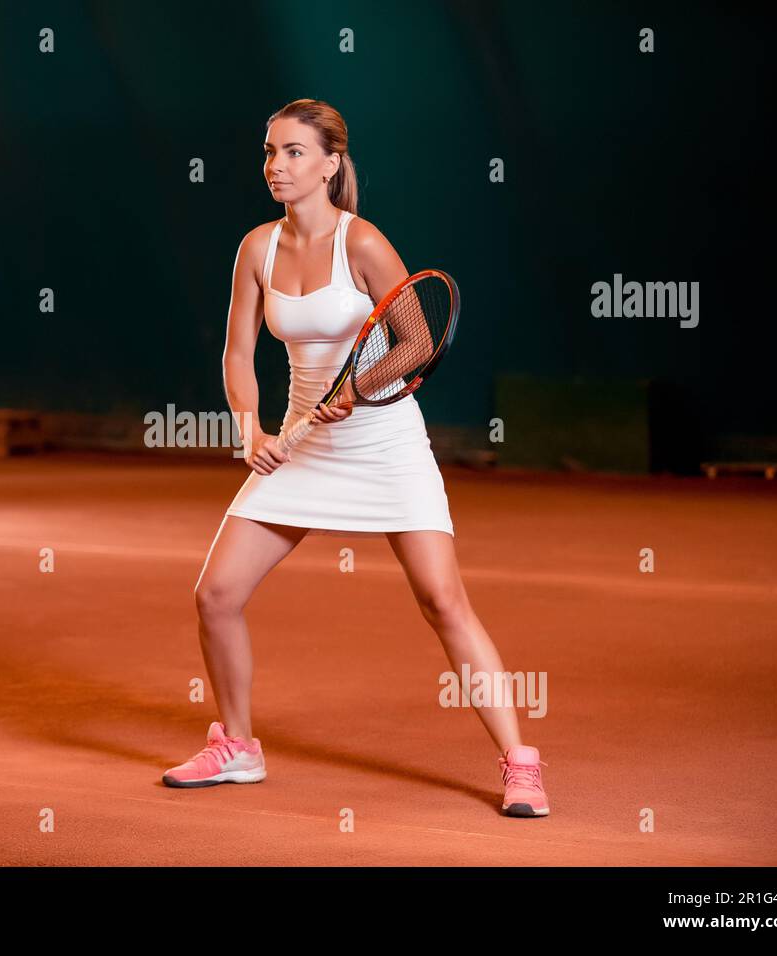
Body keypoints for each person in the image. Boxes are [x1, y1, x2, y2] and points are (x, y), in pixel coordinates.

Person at [161, 98, 549, 817]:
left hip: (384, 443)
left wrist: (360, 387)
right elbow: (238, 351)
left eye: (295, 152)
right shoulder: (256, 248)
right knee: (216, 596)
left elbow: (417, 340)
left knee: (443, 601)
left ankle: (520, 763)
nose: (277, 165)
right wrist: (248, 429)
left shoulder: (363, 243)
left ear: (332, 163)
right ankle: (238, 746)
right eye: (270, 152)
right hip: (300, 449)